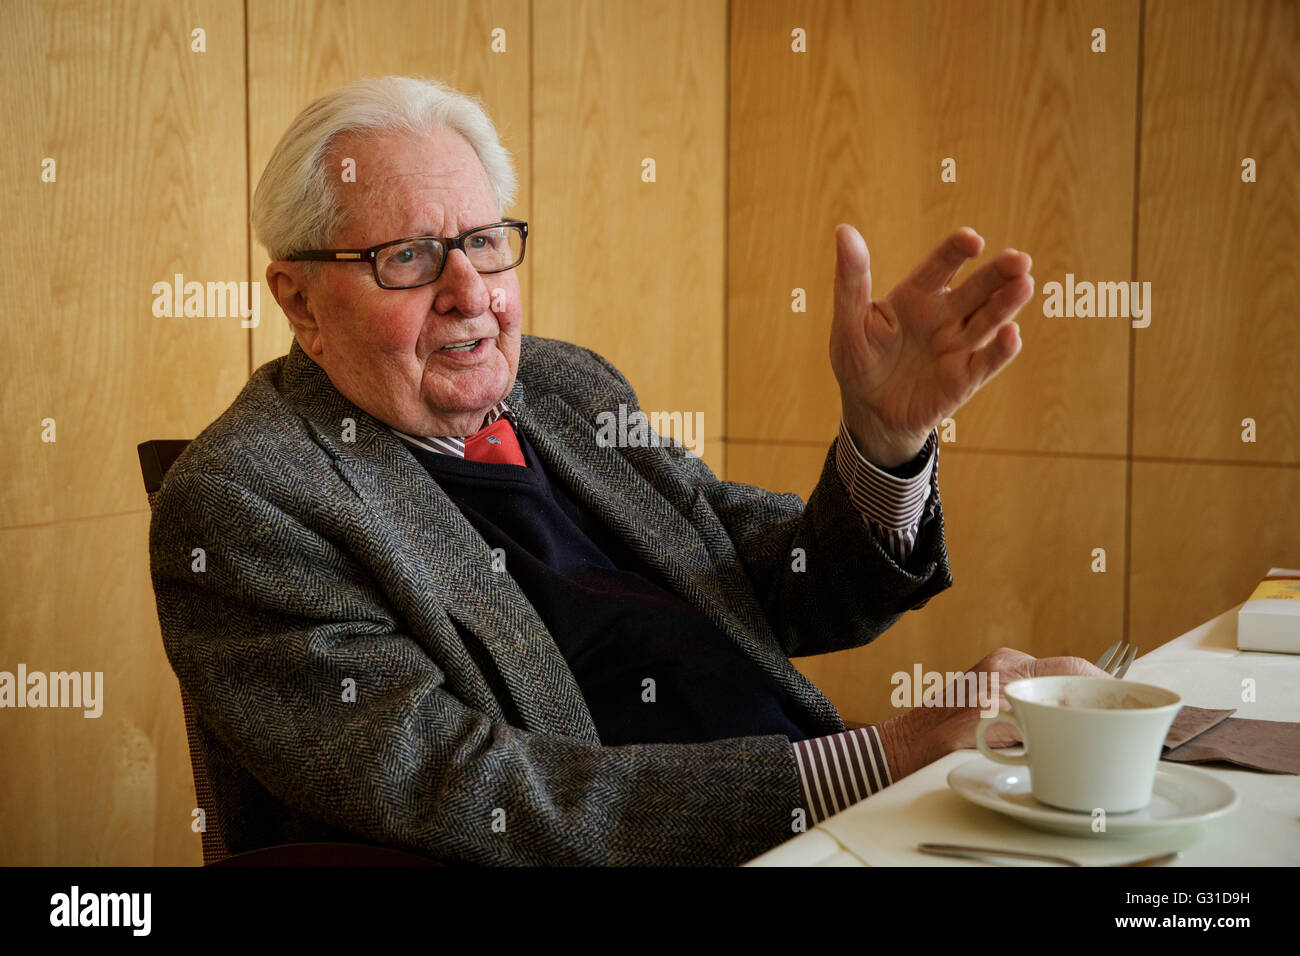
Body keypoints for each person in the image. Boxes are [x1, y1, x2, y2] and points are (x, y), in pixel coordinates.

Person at [148, 76, 1107, 866]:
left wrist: (884, 441)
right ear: (298, 300)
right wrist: (878, 761)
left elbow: (785, 587)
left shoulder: (562, 384)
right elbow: (478, 792)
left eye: (485, 242)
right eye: (407, 258)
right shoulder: (248, 504)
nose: (470, 294)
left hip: (837, 826)